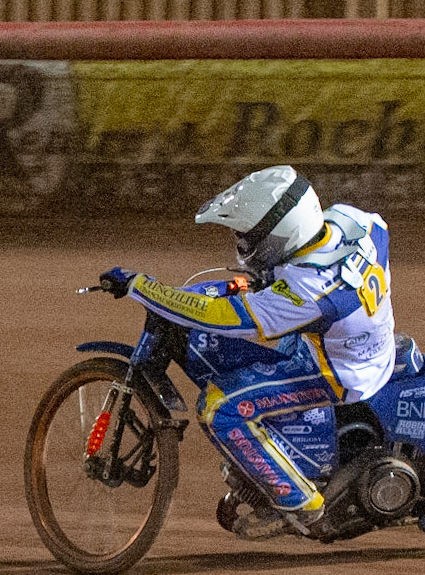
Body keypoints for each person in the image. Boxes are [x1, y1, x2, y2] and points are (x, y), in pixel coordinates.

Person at [99, 165, 396, 539]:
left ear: (281, 235)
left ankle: (301, 504)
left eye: (250, 238)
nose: (243, 246)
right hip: (355, 343)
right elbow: (369, 234)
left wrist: (145, 288)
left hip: (337, 370)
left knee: (219, 407)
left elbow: (220, 316)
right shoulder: (354, 222)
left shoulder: (307, 293)